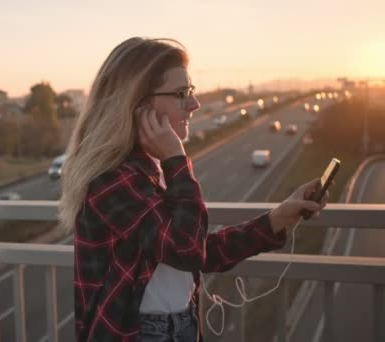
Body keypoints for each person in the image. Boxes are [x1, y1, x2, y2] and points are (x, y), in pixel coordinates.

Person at [59, 37, 327, 342]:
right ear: (139, 104)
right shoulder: (113, 179)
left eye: (192, 91)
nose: (195, 104)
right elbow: (186, 250)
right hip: (140, 333)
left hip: (179, 325)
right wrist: (177, 158)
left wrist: (278, 217)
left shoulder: (148, 168)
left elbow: (200, 252)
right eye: (181, 93)